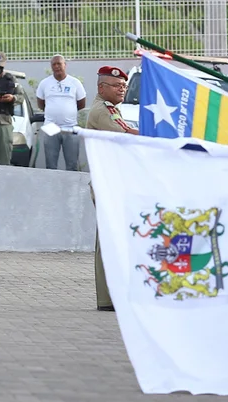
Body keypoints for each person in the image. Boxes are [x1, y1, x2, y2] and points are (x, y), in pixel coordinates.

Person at [85, 66, 138, 312]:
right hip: (106, 181)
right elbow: (126, 136)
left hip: (114, 180)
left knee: (112, 236)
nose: (122, 89)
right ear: (101, 88)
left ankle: (111, 296)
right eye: (117, 86)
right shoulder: (101, 111)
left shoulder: (112, 110)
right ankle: (107, 299)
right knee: (108, 238)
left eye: (124, 86)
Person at [36, 55, 87, 171]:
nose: (57, 66)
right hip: (50, 127)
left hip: (70, 127)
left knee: (72, 165)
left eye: (59, 64)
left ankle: (71, 188)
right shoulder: (45, 83)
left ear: (65, 65)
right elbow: (41, 104)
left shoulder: (75, 83)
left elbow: (81, 104)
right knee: (51, 165)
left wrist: (67, 112)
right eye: (54, 64)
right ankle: (52, 189)